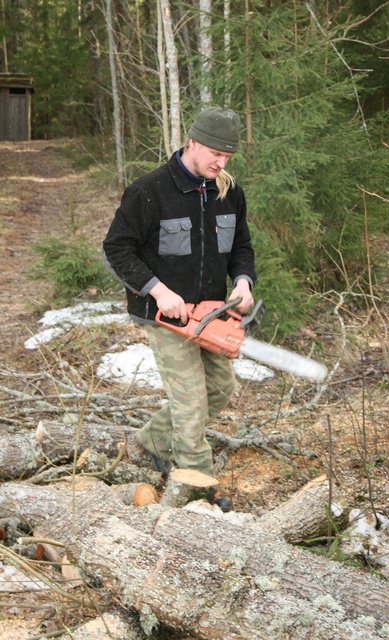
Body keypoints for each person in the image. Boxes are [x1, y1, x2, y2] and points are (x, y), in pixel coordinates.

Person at [102, 106, 256, 511]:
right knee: (191, 404)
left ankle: (152, 440)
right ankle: (198, 486)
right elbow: (117, 248)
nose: (219, 163)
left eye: (227, 157)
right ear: (191, 142)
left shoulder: (228, 191)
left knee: (220, 390)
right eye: (213, 154)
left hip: (212, 312)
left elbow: (241, 246)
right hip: (165, 315)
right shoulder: (149, 191)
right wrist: (156, 289)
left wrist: (242, 280)